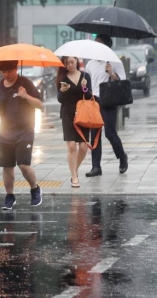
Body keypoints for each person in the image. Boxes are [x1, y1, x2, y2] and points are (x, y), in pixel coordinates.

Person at [0, 60, 44, 210]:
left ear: (16, 68)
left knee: (23, 164)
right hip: (6, 133)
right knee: (7, 167)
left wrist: (26, 96)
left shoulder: (25, 83)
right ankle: (10, 196)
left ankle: (35, 189)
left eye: (9, 71)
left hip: (25, 132)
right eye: (3, 72)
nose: (6, 75)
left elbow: (40, 104)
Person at [85, 34, 128, 177]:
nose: (96, 46)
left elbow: (123, 81)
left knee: (110, 133)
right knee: (95, 134)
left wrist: (112, 74)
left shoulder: (114, 62)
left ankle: (122, 157)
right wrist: (84, 88)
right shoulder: (90, 64)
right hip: (94, 101)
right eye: (95, 43)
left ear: (106, 45)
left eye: (100, 43)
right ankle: (96, 166)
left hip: (108, 101)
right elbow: (86, 85)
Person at [56, 56, 93, 187]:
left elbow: (89, 96)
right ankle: (74, 177)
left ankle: (74, 170)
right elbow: (60, 99)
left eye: (72, 62)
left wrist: (84, 87)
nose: (70, 65)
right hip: (67, 114)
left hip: (82, 113)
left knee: (83, 147)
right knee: (71, 146)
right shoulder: (62, 78)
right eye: (67, 63)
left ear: (77, 61)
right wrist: (62, 91)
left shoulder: (85, 76)